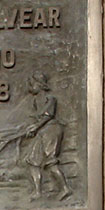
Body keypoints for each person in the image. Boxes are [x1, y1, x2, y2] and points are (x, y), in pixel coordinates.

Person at [24, 72, 71, 200]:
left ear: (40, 85)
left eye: (32, 84)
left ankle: (65, 188)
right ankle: (38, 192)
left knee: (50, 161)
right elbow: (36, 119)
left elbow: (48, 115)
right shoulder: (35, 101)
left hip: (51, 130)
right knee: (32, 160)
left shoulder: (50, 99)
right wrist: (32, 128)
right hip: (42, 131)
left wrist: (36, 127)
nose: (29, 86)